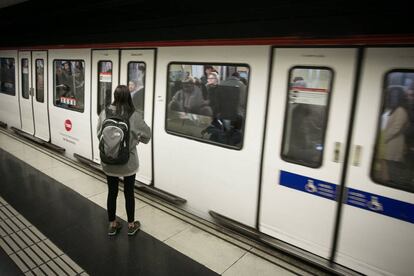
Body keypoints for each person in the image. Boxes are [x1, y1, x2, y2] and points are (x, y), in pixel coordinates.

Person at [97, 85, 151, 236]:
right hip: (128, 163)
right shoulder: (134, 115)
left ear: (114, 96)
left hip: (108, 161)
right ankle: (131, 225)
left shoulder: (104, 112)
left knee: (112, 192)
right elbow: (147, 136)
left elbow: (98, 134)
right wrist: (136, 140)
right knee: (129, 192)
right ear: (129, 96)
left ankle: (112, 225)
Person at [382, 86, 409, 186]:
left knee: (392, 168)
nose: (392, 97)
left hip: (394, 143)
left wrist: (384, 138)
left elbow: (396, 128)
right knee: (388, 167)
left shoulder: (400, 110)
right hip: (389, 142)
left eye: (395, 95)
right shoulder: (393, 109)